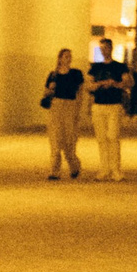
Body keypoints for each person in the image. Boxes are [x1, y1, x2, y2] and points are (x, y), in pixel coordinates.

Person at [86, 41, 129, 180]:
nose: (104, 51)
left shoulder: (120, 67)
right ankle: (104, 169)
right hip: (98, 105)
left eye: (106, 48)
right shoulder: (95, 67)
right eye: (102, 48)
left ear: (111, 48)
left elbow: (127, 82)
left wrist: (115, 84)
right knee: (101, 138)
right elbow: (89, 86)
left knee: (113, 136)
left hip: (114, 105)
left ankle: (116, 170)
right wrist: (100, 84)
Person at [42, 48, 84, 179]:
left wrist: (78, 109)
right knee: (55, 139)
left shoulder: (76, 74)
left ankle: (74, 165)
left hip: (70, 106)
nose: (68, 59)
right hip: (56, 106)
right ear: (60, 59)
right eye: (66, 56)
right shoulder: (53, 75)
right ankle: (54, 171)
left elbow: (80, 93)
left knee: (69, 140)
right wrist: (50, 89)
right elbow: (45, 93)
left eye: (70, 56)